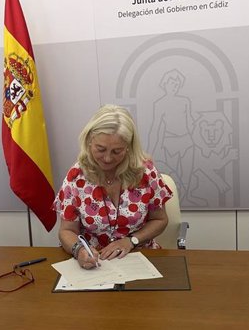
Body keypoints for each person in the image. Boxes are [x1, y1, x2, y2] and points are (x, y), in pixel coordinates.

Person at [54, 104, 173, 269]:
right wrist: (79, 250)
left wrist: (131, 241)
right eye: (100, 149)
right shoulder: (76, 177)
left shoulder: (145, 172)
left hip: (139, 256)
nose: (108, 158)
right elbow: (67, 231)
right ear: (89, 141)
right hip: (94, 263)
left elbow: (160, 220)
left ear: (129, 148)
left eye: (117, 151)